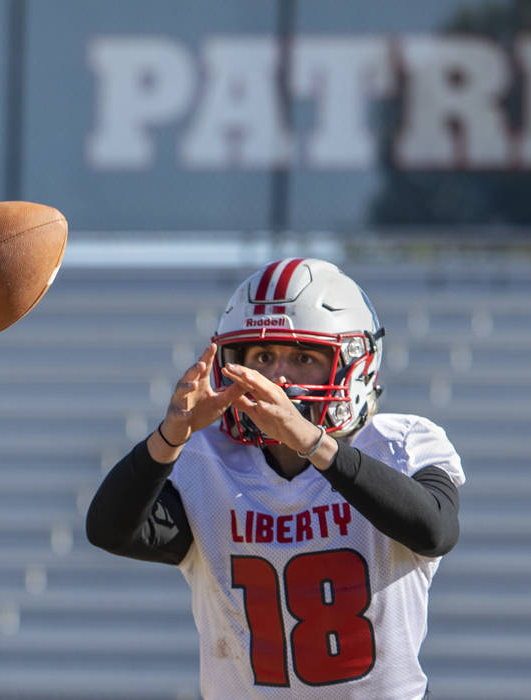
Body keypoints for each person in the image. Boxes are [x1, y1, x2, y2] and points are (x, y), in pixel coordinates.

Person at [86, 258, 464, 699]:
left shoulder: (400, 444)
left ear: (355, 363)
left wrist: (310, 440)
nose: (278, 378)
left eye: (304, 357)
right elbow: (109, 530)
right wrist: (171, 435)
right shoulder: (207, 461)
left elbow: (434, 530)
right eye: (263, 357)